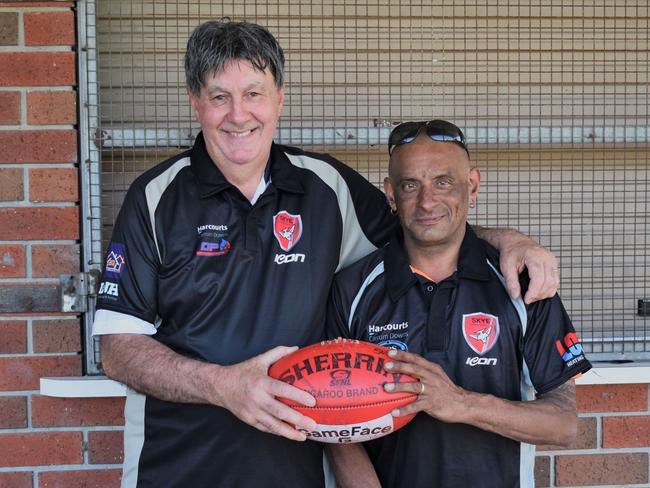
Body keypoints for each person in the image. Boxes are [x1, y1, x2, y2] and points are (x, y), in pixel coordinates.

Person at [93, 20, 561, 488]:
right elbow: (117, 350)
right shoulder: (154, 197)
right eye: (220, 97)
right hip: (175, 469)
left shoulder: (327, 188)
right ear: (196, 103)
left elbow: (423, 221)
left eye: (254, 93)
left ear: (280, 97)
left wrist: (507, 239)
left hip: (297, 473)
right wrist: (225, 386)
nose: (239, 115)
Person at [325, 119, 592, 488]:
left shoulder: (522, 283)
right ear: (390, 194)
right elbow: (334, 421)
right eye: (410, 185)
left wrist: (460, 403)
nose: (427, 201)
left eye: (443, 182)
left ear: (473, 186)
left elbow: (564, 423)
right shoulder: (352, 289)